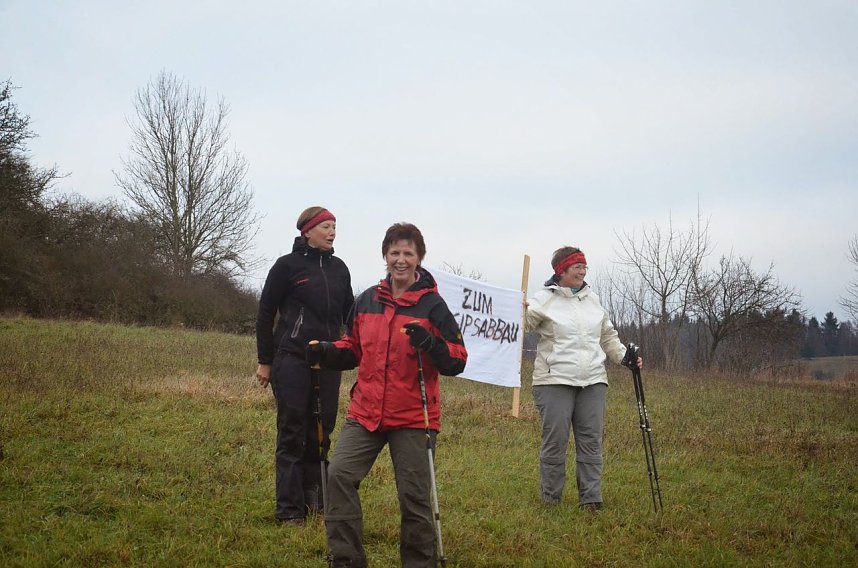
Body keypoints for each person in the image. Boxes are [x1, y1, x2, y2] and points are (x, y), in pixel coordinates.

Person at [306, 222, 467, 568]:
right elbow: (353, 349)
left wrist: (432, 344)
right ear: (385, 255)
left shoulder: (432, 306)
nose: (401, 259)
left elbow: (458, 359)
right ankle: (347, 559)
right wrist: (326, 352)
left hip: (413, 416)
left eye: (408, 253)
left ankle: (418, 563)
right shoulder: (367, 300)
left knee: (413, 498)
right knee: (339, 476)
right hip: (366, 412)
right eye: (394, 252)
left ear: (419, 258)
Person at [255, 206, 354, 525]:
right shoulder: (286, 267)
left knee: (321, 432)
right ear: (307, 231)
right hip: (293, 360)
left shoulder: (340, 269)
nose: (332, 232)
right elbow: (266, 313)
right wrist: (265, 361)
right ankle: (289, 510)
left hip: (328, 362)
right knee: (292, 432)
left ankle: (316, 499)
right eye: (326, 226)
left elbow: (351, 316)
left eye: (334, 226)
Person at [524, 246, 642, 511]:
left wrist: (626, 358)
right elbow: (521, 324)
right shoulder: (544, 299)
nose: (582, 271)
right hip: (554, 381)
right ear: (561, 270)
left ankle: (591, 500)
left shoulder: (593, 300)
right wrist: (517, 310)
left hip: (593, 380)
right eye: (576, 266)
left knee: (591, 441)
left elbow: (608, 336)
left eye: (584, 267)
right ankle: (550, 499)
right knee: (555, 442)